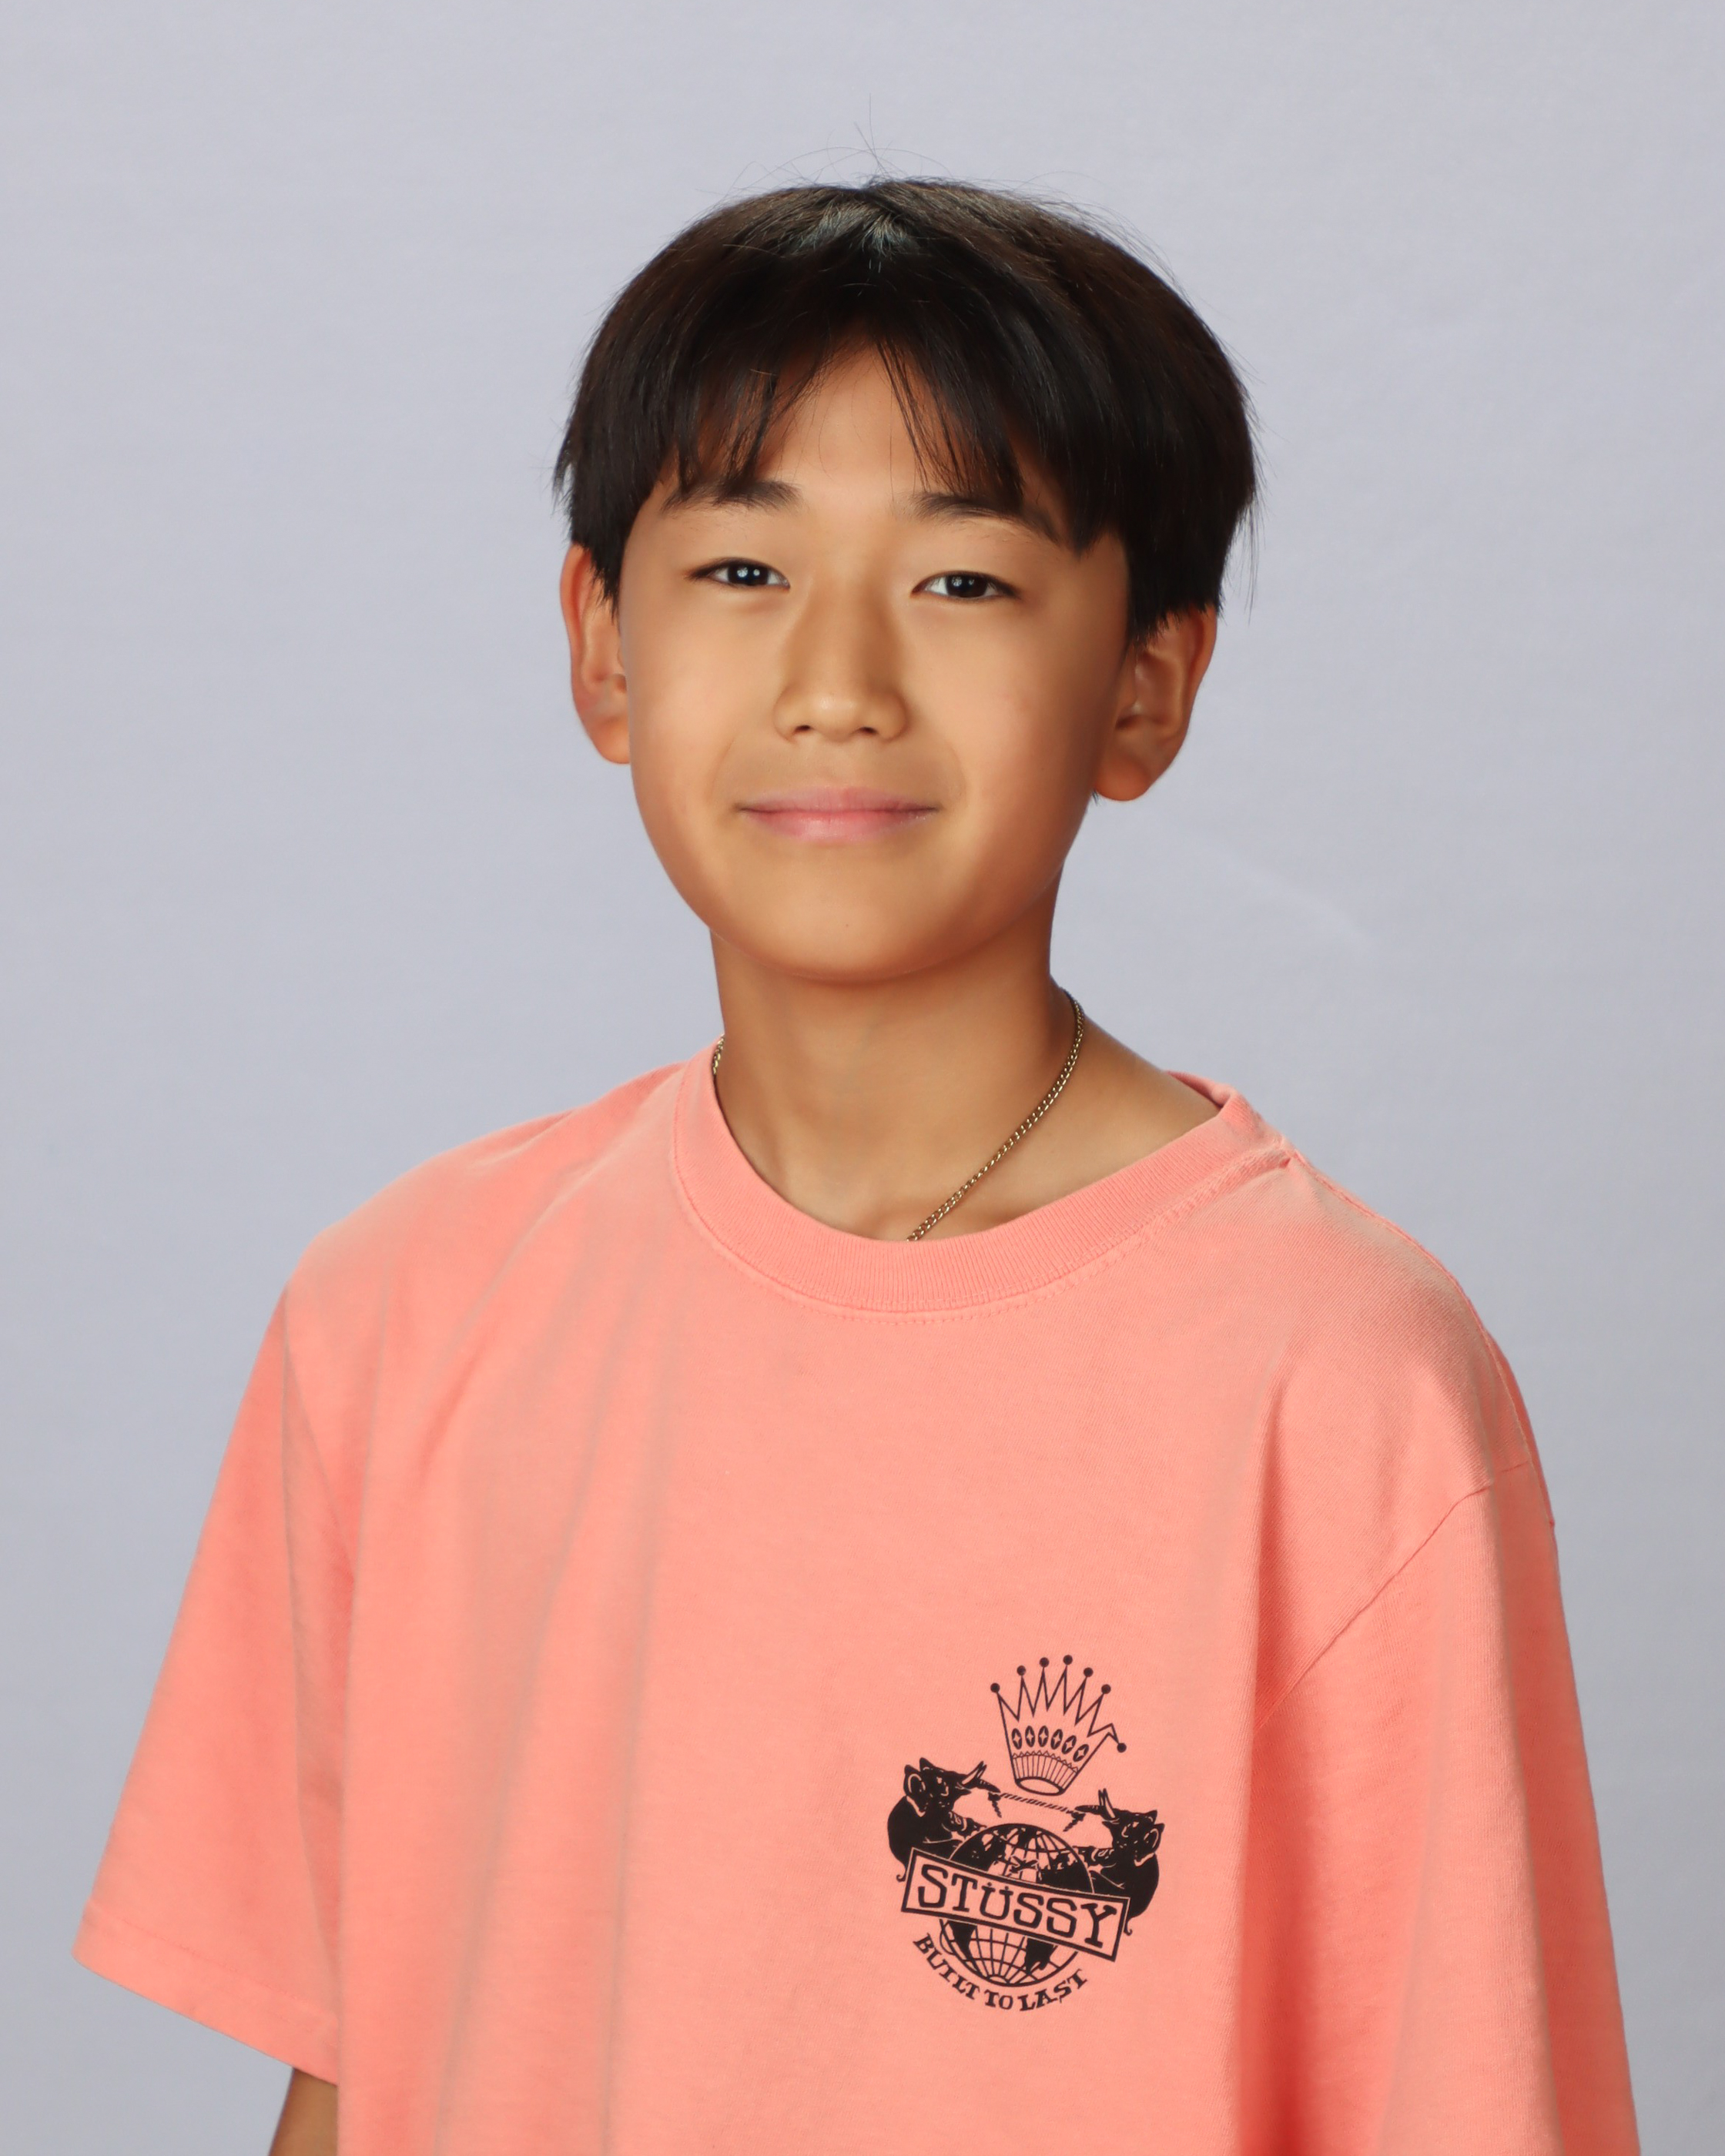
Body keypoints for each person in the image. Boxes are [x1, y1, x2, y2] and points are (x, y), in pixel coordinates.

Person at [75, 181, 1640, 2155]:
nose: (837, 678)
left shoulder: (1340, 1390)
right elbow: (357, 2064)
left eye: (962, 581)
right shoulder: (400, 1311)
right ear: (603, 650)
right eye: (741, 567)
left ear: (1144, 684)